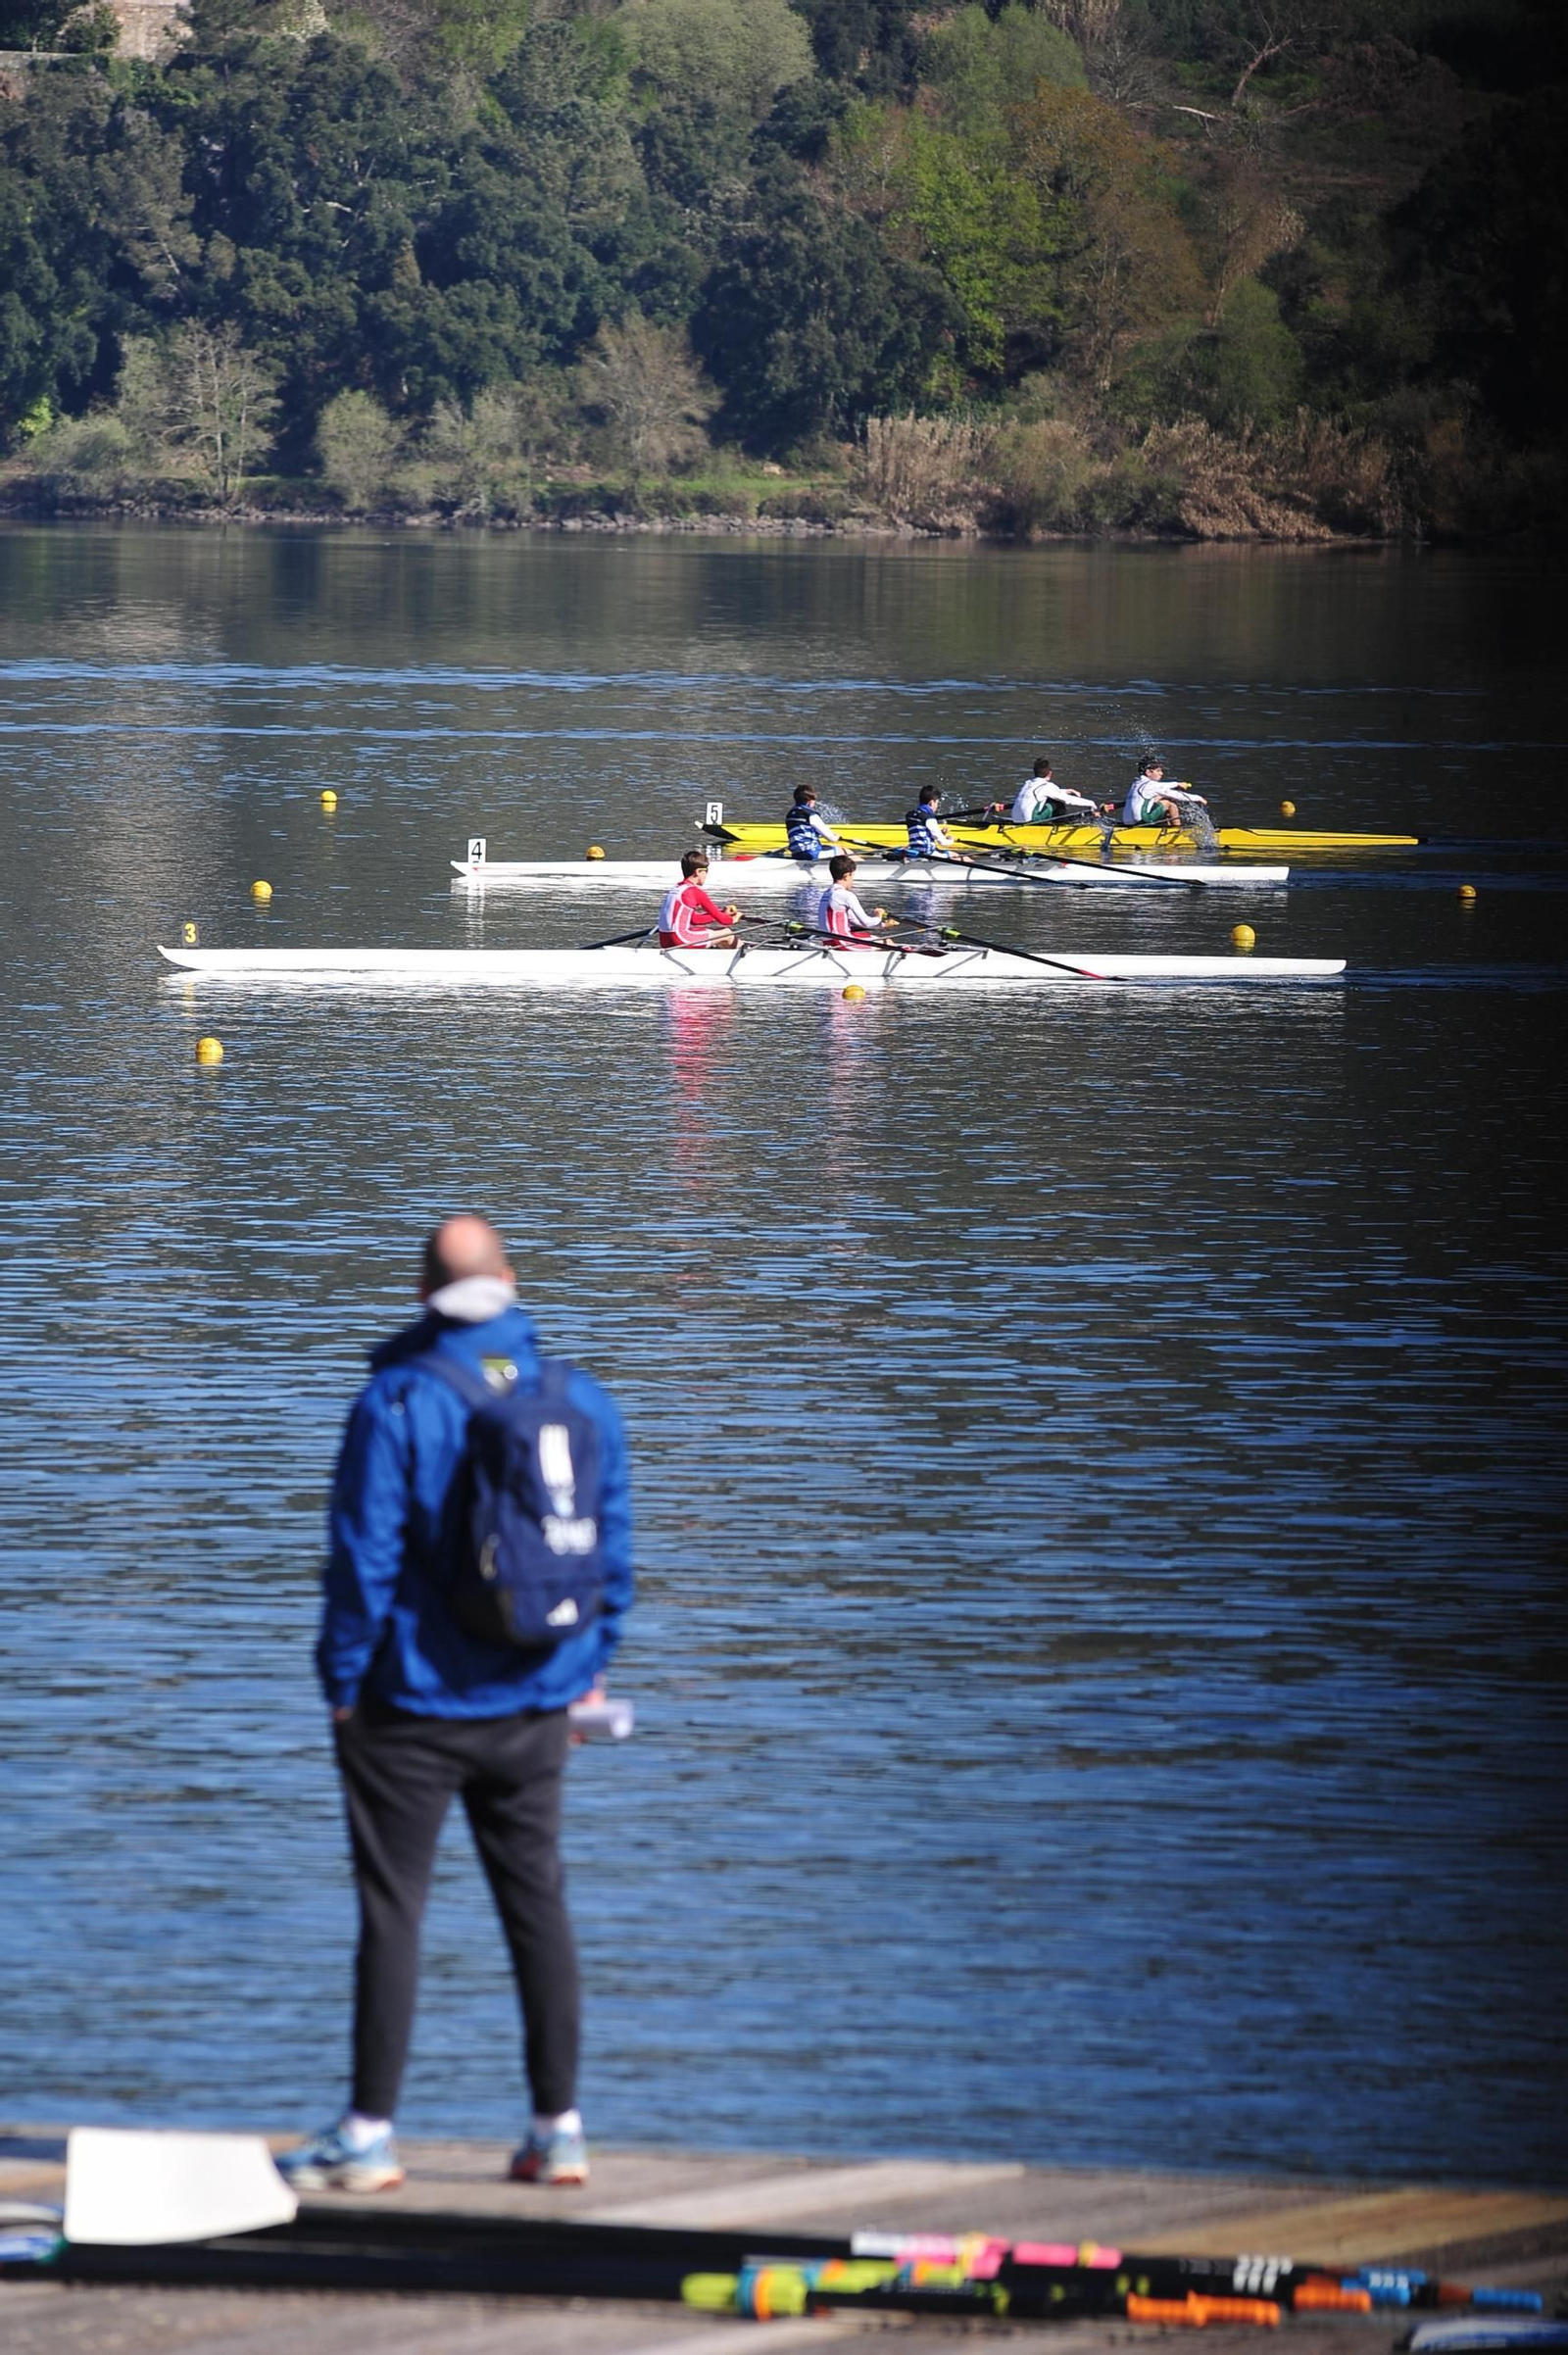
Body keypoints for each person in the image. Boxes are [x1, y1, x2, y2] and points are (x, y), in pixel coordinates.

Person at [278, 1215, 633, 2195]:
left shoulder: (395, 1400)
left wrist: (340, 1685)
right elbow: (614, 1560)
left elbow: (362, 1562)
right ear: (511, 1283)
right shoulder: (584, 1402)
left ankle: (367, 2136)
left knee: (393, 1914)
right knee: (539, 1907)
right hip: (536, 1709)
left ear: (420, 1292)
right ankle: (557, 2132)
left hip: (409, 1708)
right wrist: (583, 1671)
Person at [659, 850, 742, 948]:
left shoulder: (676, 889)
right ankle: (747, 958)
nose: (706, 875)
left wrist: (722, 913)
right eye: (706, 871)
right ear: (698, 872)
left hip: (665, 939)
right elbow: (724, 921)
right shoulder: (695, 892)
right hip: (682, 939)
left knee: (716, 934)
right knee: (727, 933)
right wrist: (735, 918)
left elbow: (695, 919)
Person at [815, 854, 898, 945]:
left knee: (874, 939)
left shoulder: (826, 894)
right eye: (852, 876)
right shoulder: (846, 895)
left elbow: (856, 921)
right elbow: (867, 923)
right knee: (887, 942)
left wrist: (884, 925)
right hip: (843, 942)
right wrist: (879, 916)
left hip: (827, 941)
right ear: (846, 876)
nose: (852, 880)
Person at [1122, 757, 1209, 829]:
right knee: (1170, 803)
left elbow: (1163, 789)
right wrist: (1198, 798)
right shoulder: (1151, 785)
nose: (1162, 773)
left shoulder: (1135, 784)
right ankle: (1177, 830)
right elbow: (1176, 795)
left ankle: (1164, 827)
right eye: (1158, 771)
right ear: (1148, 772)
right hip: (1141, 820)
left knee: (1160, 800)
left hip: (1127, 821)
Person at [1009, 758, 1101, 823]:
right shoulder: (1047, 786)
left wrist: (1068, 790)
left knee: (1049, 800)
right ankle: (1060, 826)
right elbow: (1068, 800)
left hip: (1015, 819)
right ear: (1050, 773)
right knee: (1057, 803)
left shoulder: (1028, 783)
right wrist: (1090, 803)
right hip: (1030, 820)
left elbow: (1051, 793)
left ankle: (1051, 823)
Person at [904, 784, 969, 863]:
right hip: (928, 854)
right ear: (931, 803)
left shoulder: (910, 815)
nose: (937, 806)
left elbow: (921, 834)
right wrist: (951, 840)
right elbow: (943, 843)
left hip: (914, 853)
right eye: (937, 802)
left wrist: (941, 833)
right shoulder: (929, 818)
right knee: (961, 857)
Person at [783, 784, 842, 864]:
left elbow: (803, 832)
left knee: (827, 848)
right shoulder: (811, 814)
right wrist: (836, 837)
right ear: (809, 800)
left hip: (796, 853)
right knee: (842, 850)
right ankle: (860, 869)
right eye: (814, 800)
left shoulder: (790, 814)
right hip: (811, 853)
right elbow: (832, 839)